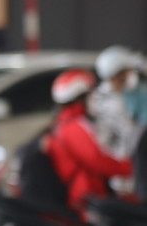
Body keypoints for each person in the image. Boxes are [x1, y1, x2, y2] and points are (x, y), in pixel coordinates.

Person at [43, 69, 132, 214]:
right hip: (87, 196)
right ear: (80, 98)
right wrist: (131, 167)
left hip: (87, 193)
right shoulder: (73, 126)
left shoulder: (66, 123)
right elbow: (97, 161)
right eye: (90, 94)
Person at [90, 45, 147, 159]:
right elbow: (128, 135)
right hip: (121, 161)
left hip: (133, 156)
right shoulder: (104, 100)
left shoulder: (129, 93)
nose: (128, 76)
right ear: (118, 74)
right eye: (125, 73)